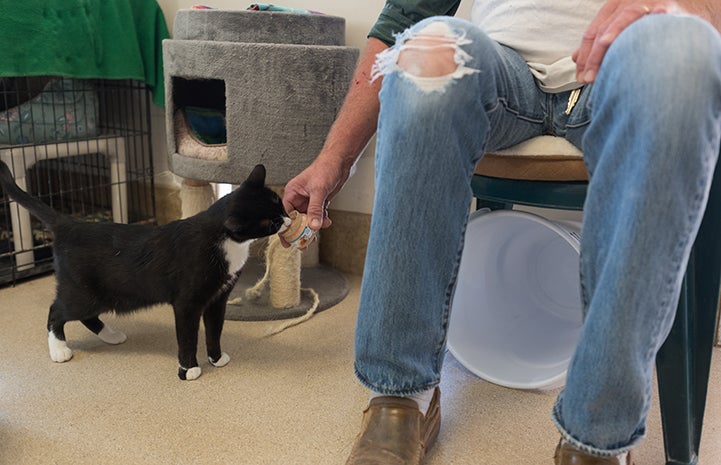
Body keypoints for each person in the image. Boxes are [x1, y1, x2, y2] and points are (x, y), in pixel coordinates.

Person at [282, 0, 721, 463]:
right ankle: (400, 396)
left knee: (684, 56)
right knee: (426, 48)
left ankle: (598, 437)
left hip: (629, 62)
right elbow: (402, 21)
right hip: (503, 73)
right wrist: (334, 159)